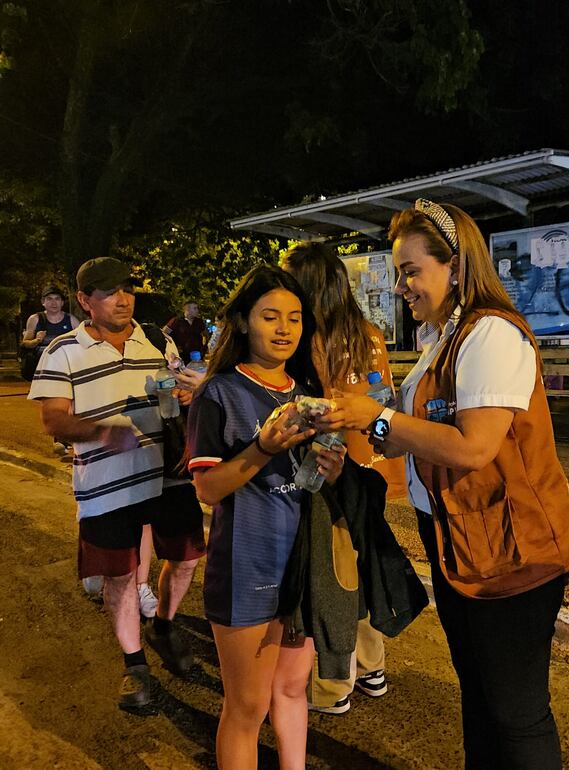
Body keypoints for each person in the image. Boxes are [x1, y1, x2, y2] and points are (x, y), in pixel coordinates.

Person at [320, 199, 569, 769]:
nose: (401, 287)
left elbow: (475, 446)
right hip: (464, 537)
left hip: (513, 547)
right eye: (399, 274)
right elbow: (436, 427)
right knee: (481, 694)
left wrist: (380, 420)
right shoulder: (448, 334)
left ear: (457, 267)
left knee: (515, 708)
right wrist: (388, 428)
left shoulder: (489, 334)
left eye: (412, 271)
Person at [185, 265, 345, 770]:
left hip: (303, 567)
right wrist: (261, 447)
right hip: (247, 570)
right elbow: (208, 488)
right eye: (270, 316)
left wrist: (334, 467)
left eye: (294, 318)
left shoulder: (311, 388)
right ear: (243, 321)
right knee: (247, 706)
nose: (283, 329)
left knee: (293, 689)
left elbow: (319, 484)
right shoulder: (219, 394)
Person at [28, 257, 206, 710]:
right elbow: (53, 419)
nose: (123, 298)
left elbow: (173, 389)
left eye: (127, 288)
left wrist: (184, 393)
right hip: (108, 484)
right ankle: (134, 664)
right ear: (85, 301)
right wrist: (105, 432)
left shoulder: (155, 340)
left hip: (168, 474)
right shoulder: (61, 351)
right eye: (109, 291)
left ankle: (163, 627)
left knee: (185, 560)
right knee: (122, 576)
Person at [281, 242, 407, 715]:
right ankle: (372, 666)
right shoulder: (367, 332)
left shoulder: (312, 340)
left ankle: (334, 685)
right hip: (375, 466)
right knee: (362, 558)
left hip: (334, 472)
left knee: (334, 575)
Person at [19, 285, 79, 381]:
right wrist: (37, 340)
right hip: (41, 368)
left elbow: (81, 343)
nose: (53, 303)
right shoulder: (35, 319)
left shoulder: (71, 320)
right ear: (43, 302)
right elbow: (25, 343)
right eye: (49, 299)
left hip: (64, 368)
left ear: (62, 302)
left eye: (57, 299)